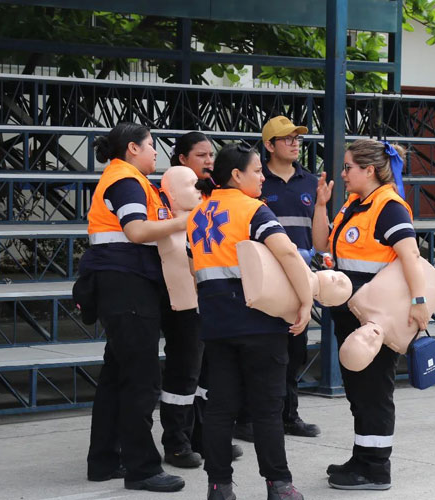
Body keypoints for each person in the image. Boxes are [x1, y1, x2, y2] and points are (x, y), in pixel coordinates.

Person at [188, 143, 310, 500]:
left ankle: (219, 487)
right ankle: (279, 485)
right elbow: (286, 251)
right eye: (257, 171)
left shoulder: (198, 213)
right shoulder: (253, 209)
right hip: (258, 320)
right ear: (237, 175)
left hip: (216, 323)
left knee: (221, 408)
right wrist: (305, 299)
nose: (262, 177)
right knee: (267, 408)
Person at [311, 138, 428, 490]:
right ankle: (362, 456)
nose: (343, 173)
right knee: (358, 391)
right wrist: (321, 206)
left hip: (375, 319)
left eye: (349, 167)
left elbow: (410, 255)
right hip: (350, 314)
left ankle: (376, 468)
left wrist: (419, 301)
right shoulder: (353, 204)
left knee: (374, 391)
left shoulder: (389, 207)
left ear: (370, 170)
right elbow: (320, 245)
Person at [81, 122, 186, 493]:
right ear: (131, 148)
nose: (156, 152)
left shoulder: (130, 179)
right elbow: (137, 231)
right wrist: (186, 221)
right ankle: (142, 469)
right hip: (126, 287)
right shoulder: (126, 180)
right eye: (150, 145)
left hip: (122, 286)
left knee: (117, 377)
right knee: (141, 380)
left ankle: (105, 460)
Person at [158, 132, 243, 468]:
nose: (209, 161)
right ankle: (176, 442)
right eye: (201, 155)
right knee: (184, 371)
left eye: (211, 155)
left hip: (211, 301)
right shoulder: (170, 205)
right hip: (182, 304)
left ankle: (203, 435)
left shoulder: (212, 200)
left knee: (208, 374)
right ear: (181, 161)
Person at [260, 115, 321, 438]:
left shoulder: (311, 182)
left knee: (296, 349)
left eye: (298, 138)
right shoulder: (256, 182)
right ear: (269, 145)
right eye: (287, 139)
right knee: (266, 348)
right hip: (267, 278)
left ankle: (289, 414)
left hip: (300, 278)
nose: (295, 143)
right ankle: (260, 416)